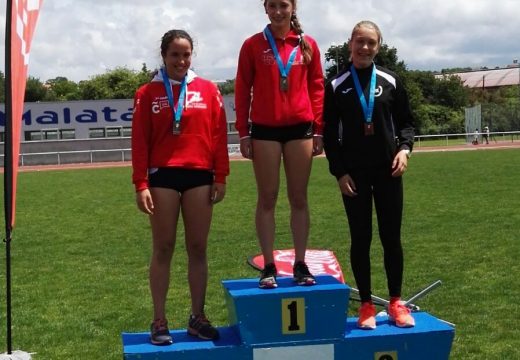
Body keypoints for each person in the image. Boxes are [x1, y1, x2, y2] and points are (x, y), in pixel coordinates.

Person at [131, 29, 229, 345]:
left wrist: (221, 176)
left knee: (198, 248)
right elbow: (139, 141)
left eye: (186, 54)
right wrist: (140, 183)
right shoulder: (147, 93)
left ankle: (197, 317)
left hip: (200, 176)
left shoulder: (208, 90)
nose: (181, 60)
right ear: (164, 56)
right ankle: (159, 320)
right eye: (175, 54)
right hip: (162, 177)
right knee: (164, 247)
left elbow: (217, 136)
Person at [323, 20, 415, 330]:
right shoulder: (336, 85)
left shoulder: (391, 80)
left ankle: (396, 302)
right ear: (350, 43)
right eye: (360, 41)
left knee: (392, 238)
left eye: (371, 43)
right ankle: (365, 305)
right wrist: (339, 172)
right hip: (354, 177)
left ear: (378, 46)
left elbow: (406, 122)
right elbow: (329, 135)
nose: (364, 48)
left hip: (388, 171)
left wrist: (404, 149)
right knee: (360, 239)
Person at [235, 0, 324, 289]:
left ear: (293, 7)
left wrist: (319, 129)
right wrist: (243, 133)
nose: (277, 11)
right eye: (272, 5)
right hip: (264, 131)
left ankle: (300, 263)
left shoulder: (307, 44)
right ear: (265, 8)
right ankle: (269, 266)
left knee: (298, 198)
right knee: (267, 198)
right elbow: (241, 89)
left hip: (300, 130)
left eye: (283, 5)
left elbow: (317, 88)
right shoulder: (252, 45)